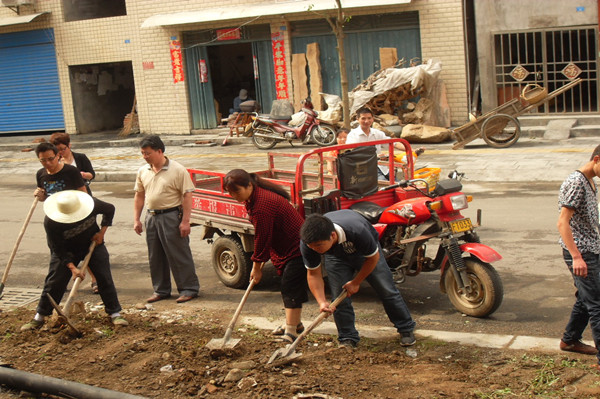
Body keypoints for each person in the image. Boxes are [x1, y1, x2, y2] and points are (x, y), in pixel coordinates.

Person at [299, 210, 416, 348]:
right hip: (335, 256)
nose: (315, 249)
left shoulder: (357, 230)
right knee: (338, 298)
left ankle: (406, 329)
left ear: (332, 235)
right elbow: (313, 274)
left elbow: (373, 258)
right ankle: (347, 337)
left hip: (366, 254)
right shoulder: (309, 244)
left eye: (318, 246)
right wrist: (321, 302)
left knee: (386, 290)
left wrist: (356, 282)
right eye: (312, 247)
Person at [21, 190, 128, 330]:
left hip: (92, 243)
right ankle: (39, 317)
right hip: (66, 250)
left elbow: (110, 209)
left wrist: (101, 233)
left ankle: (114, 313)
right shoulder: (51, 222)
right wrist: (72, 268)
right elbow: (57, 249)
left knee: (104, 276)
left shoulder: (92, 204)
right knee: (54, 281)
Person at [223, 169, 307, 342]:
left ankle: (291, 332)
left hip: (296, 246)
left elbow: (263, 238)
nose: (233, 196)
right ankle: (295, 324)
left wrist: (257, 267)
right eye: (230, 192)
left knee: (290, 286)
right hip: (285, 247)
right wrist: (258, 264)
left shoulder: (262, 205)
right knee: (289, 284)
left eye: (236, 191)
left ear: (249, 185)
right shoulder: (254, 196)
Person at [133, 135, 200, 304]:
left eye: (147, 153)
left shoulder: (177, 170)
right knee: (155, 256)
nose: (145, 157)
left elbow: (187, 196)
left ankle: (189, 288)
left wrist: (185, 221)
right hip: (151, 217)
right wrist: (137, 219)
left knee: (178, 254)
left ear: (159, 151)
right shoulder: (143, 171)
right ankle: (161, 290)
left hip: (171, 216)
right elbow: (139, 195)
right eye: (142, 153)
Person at [557, 144, 600, 370]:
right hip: (581, 252)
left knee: (586, 298)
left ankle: (570, 339)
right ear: (597, 159)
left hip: (591, 248)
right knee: (597, 304)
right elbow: (562, 223)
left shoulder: (591, 181)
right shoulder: (576, 183)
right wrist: (576, 257)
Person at [50, 132, 99, 293]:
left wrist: (82, 175)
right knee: (60, 246)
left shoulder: (80, 158)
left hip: (83, 202)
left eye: (62, 149)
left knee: (86, 242)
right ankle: (61, 280)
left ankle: (95, 279)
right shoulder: (54, 163)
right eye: (57, 150)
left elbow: (92, 174)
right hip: (63, 208)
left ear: (69, 146)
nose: (60, 153)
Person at [346, 107, 405, 180]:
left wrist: (409, 149)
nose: (366, 121)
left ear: (373, 119)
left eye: (369, 118)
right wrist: (375, 156)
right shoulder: (353, 135)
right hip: (364, 168)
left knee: (399, 184)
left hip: (381, 167)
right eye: (363, 118)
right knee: (385, 185)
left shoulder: (377, 133)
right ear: (357, 119)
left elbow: (392, 143)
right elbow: (353, 153)